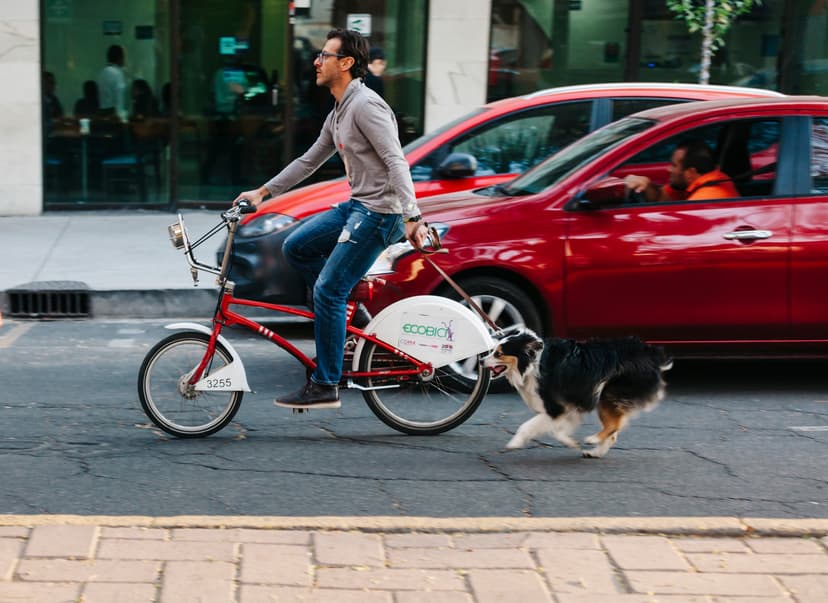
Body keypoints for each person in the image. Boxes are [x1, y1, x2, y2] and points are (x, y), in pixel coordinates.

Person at [235, 29, 427, 409]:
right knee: (297, 247)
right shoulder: (340, 109)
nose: (316, 61)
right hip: (358, 206)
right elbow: (309, 161)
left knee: (327, 289)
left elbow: (396, 161)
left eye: (325, 55)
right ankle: (345, 311)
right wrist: (263, 192)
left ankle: (326, 383)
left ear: (346, 63)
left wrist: (412, 215)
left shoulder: (366, 106)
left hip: (380, 213)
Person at [624, 138, 740, 202]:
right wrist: (647, 185)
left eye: (674, 165)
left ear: (690, 173)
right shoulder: (706, 180)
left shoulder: (702, 200)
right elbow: (662, 198)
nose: (668, 169)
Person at [97, 44, 128, 121]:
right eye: (124, 56)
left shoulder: (102, 72)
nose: (125, 60)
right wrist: (122, 118)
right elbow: (119, 99)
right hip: (114, 115)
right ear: (119, 58)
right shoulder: (117, 73)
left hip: (102, 114)